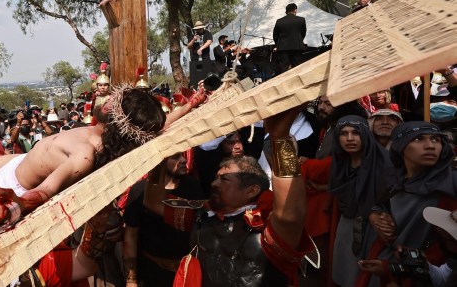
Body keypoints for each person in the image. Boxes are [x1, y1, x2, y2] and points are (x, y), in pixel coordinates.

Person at [144, 107, 313, 286]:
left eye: (224, 179)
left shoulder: (267, 224)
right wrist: (160, 156)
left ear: (252, 190)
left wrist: (279, 137)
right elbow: (153, 202)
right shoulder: (202, 216)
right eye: (216, 178)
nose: (214, 184)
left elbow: (290, 214)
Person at [0, 87, 166, 228]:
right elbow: (157, 131)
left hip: (15, 183)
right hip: (20, 161)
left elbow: (46, 190)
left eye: (116, 102)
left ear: (121, 121)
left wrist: (17, 203)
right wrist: (190, 105)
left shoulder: (85, 155)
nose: (108, 100)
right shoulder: (97, 131)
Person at [360, 121, 457, 285]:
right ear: (400, 145)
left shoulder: (452, 183)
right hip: (386, 262)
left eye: (435, 140)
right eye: (419, 139)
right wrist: (374, 215)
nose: (430, 146)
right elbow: (376, 204)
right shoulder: (390, 179)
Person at [123, 152, 206, 286]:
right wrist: (131, 280)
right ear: (159, 161)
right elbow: (131, 236)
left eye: (183, 155)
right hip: (152, 272)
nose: (184, 160)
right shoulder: (139, 191)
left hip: (186, 273)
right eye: (176, 157)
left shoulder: (194, 186)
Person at [328, 116, 391, 287]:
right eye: (344, 134)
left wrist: (373, 211)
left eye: (356, 133)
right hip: (347, 226)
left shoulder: (383, 162)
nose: (350, 139)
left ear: (365, 134)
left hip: (375, 229)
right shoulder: (340, 163)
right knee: (346, 275)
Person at [273, 2, 307, 74]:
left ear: (286, 12)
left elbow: (275, 35)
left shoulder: (279, 21)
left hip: (283, 48)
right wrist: (299, 40)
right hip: (297, 46)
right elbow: (303, 33)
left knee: (284, 68)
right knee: (298, 67)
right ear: (295, 10)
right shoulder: (301, 20)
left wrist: (277, 45)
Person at [186, 21, 213, 87]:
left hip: (205, 57)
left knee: (207, 73)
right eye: (197, 29)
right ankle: (197, 88)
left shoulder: (207, 33)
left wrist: (201, 48)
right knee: (197, 75)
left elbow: (209, 41)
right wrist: (193, 40)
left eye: (200, 28)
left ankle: (208, 87)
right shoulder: (193, 35)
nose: (198, 30)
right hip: (195, 59)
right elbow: (188, 46)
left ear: (203, 28)